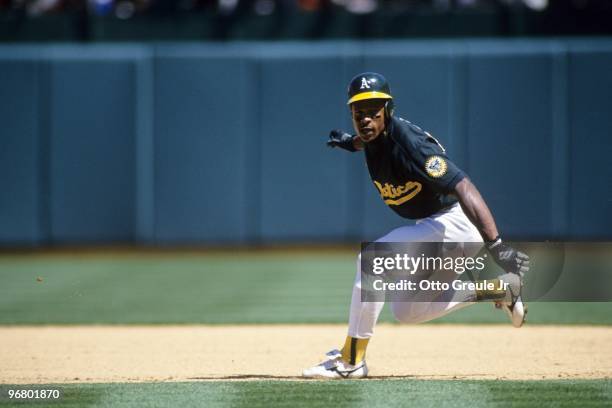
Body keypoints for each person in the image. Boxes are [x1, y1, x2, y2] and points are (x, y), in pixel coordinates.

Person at [303, 72, 530, 379]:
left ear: (388, 110)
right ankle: (498, 289)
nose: (366, 119)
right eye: (359, 113)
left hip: (454, 224)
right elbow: (366, 138)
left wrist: (497, 246)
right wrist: (349, 142)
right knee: (407, 311)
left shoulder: (411, 145)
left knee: (372, 260)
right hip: (438, 226)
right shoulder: (372, 135)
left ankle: (352, 360)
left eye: (373, 111)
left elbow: (464, 187)